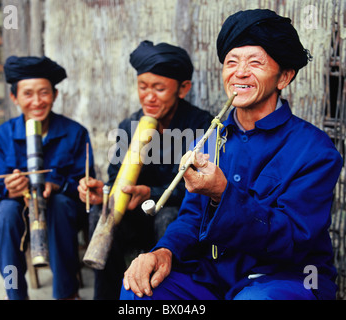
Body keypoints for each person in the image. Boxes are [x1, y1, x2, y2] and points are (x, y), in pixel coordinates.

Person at [120, 9, 343, 300]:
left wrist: (223, 193)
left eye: (255, 63)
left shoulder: (315, 150)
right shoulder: (209, 140)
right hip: (214, 274)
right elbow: (191, 216)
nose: (240, 72)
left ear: (284, 76)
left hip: (284, 278)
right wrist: (164, 251)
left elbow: (292, 238)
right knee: (140, 291)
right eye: (231, 62)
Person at [78, 40, 213, 300]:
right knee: (100, 214)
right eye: (143, 87)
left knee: (169, 215)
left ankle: (164, 294)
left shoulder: (201, 125)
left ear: (183, 89)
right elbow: (115, 177)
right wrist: (104, 192)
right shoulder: (129, 125)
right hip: (135, 216)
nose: (149, 96)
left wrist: (152, 192)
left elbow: (199, 191)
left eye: (159, 88)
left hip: (176, 219)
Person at [0, 56, 95, 300]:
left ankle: (67, 293)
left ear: (55, 95)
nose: (37, 102)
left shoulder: (75, 132)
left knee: (59, 204)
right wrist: (11, 188)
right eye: (28, 94)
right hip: (19, 212)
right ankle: (14, 294)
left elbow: (86, 184)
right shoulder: (2, 134)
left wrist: (59, 184)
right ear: (14, 97)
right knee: (3, 215)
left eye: (44, 93)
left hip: (62, 213)